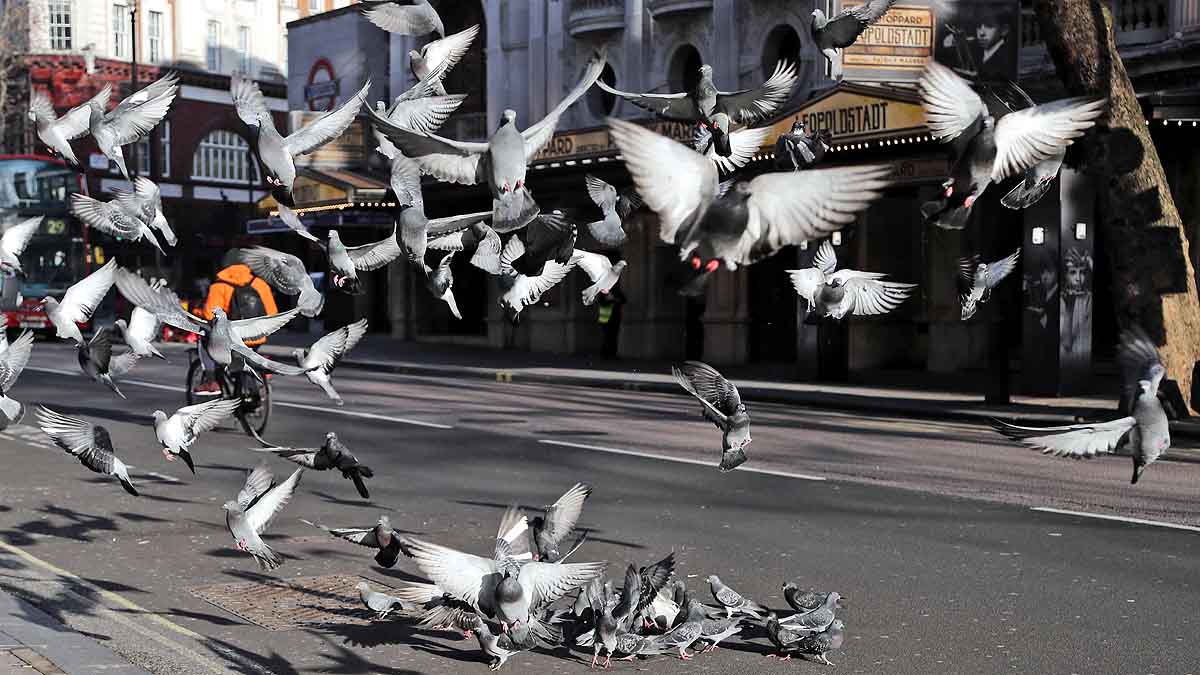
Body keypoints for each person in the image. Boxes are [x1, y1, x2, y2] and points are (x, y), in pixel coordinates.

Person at [192, 249, 279, 395]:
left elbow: (209, 315)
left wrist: (196, 312)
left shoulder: (219, 286)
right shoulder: (260, 284)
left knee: (203, 340)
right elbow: (272, 313)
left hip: (231, 340)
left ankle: (211, 380)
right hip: (256, 338)